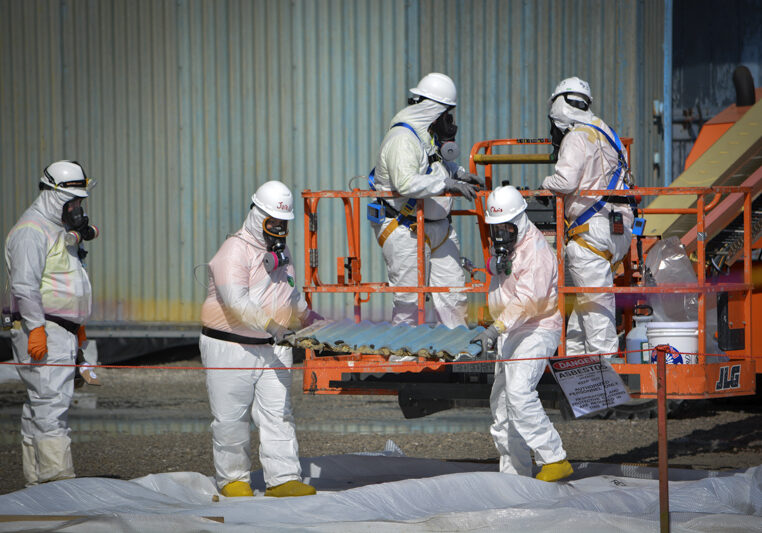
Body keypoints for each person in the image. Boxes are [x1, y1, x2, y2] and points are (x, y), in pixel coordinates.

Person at [199, 180, 322, 498]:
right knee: (231, 418)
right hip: (230, 345)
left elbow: (289, 290)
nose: (279, 228)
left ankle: (283, 478)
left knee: (279, 414)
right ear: (257, 215)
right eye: (273, 222)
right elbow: (236, 301)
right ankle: (233, 479)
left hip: (273, 345)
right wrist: (271, 325)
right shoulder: (233, 251)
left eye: (283, 223)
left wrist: (308, 317)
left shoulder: (281, 252)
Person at [4, 160, 98, 486]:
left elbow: (65, 281)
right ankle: (58, 486)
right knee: (51, 407)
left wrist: (78, 324)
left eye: (80, 203)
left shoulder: (56, 229)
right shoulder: (31, 232)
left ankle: (36, 486)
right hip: (44, 328)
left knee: (39, 406)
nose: (77, 209)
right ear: (53, 195)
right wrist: (37, 328)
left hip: (61, 329)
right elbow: (24, 286)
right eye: (72, 202)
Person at [471, 186, 572, 482]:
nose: (500, 234)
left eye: (505, 227)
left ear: (520, 220)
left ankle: (554, 459)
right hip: (510, 329)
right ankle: (514, 476)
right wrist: (492, 266)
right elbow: (505, 277)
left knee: (518, 392)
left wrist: (495, 328)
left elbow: (529, 301)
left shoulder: (537, 252)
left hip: (537, 328)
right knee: (502, 404)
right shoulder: (510, 245)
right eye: (495, 228)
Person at [368, 72, 483, 328]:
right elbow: (406, 182)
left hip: (438, 228)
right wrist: (447, 184)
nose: (449, 121)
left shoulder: (425, 134)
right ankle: (403, 363)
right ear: (434, 109)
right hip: (405, 228)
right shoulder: (402, 139)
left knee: (454, 297)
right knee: (410, 302)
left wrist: (458, 173)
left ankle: (457, 353)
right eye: (447, 114)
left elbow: (433, 165)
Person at [541, 76, 633, 359]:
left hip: (590, 233)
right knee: (581, 314)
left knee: (595, 315)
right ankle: (577, 379)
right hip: (618, 229)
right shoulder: (608, 132)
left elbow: (566, 181)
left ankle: (606, 388)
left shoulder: (576, 136)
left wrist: (545, 185)